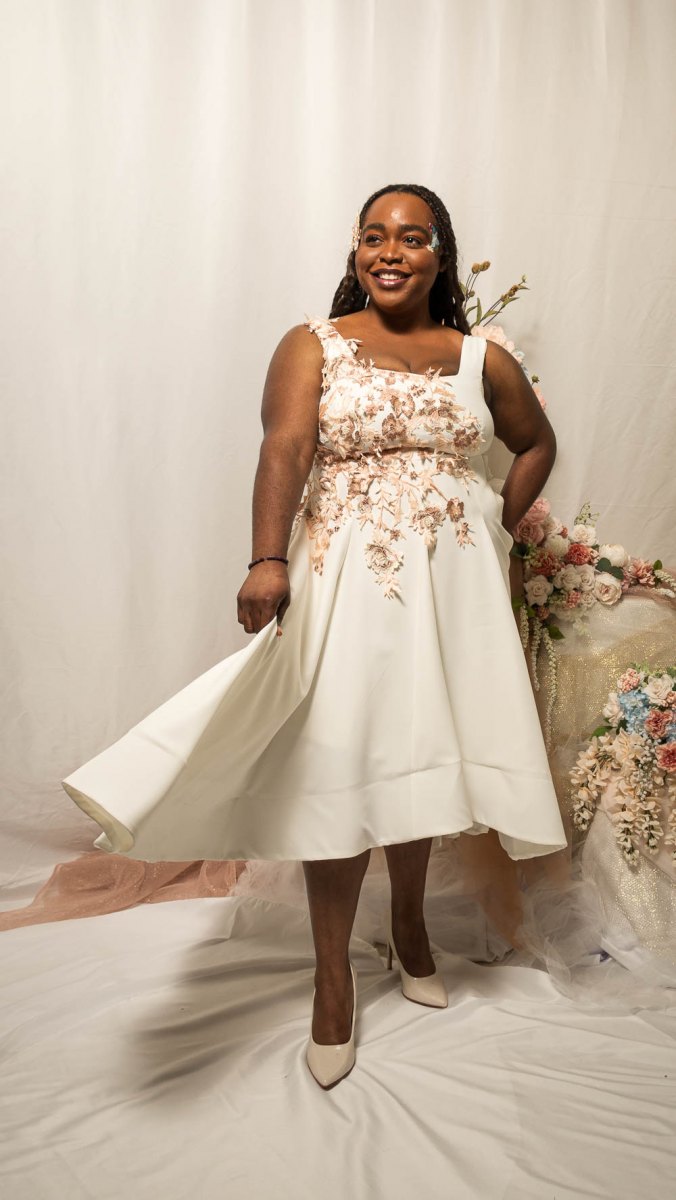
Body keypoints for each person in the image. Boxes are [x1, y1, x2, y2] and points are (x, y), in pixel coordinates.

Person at [62, 182, 568, 1090]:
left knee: (419, 753)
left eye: (411, 237)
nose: (390, 251)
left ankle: (409, 925)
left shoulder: (481, 356)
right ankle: (332, 977)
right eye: (373, 235)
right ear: (355, 251)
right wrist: (267, 559)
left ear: (441, 256)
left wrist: (493, 530)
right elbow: (285, 449)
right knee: (340, 765)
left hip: (450, 589)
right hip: (347, 576)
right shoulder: (313, 343)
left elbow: (536, 444)